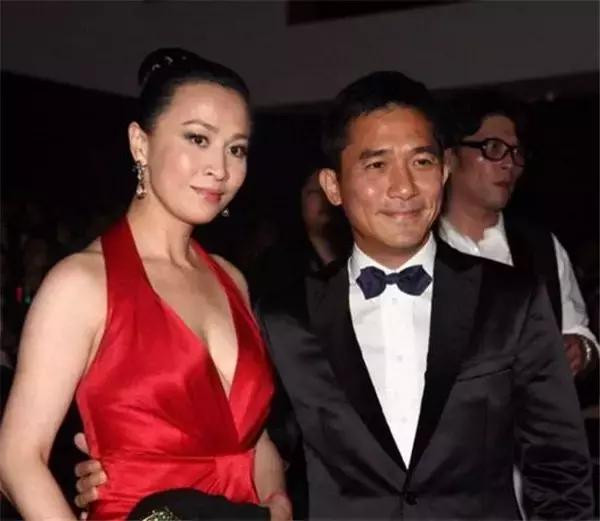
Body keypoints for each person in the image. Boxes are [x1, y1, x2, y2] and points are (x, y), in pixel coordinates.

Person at [73, 71, 593, 519]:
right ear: (333, 186)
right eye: (376, 165)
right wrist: (130, 464)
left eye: (420, 162)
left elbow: (560, 467)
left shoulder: (511, 298)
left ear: (444, 170)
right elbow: (246, 440)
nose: (403, 187)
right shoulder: (285, 316)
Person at [0, 48, 291, 521]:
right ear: (140, 143)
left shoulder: (231, 278)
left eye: (236, 149)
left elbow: (252, 439)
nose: (220, 168)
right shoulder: (82, 283)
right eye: (198, 139)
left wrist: (278, 502)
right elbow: (17, 459)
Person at [439, 92, 598, 376]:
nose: (509, 164)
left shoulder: (540, 247)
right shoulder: (415, 247)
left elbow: (578, 330)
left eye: (516, 152)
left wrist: (581, 349)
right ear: (450, 157)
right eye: (493, 148)